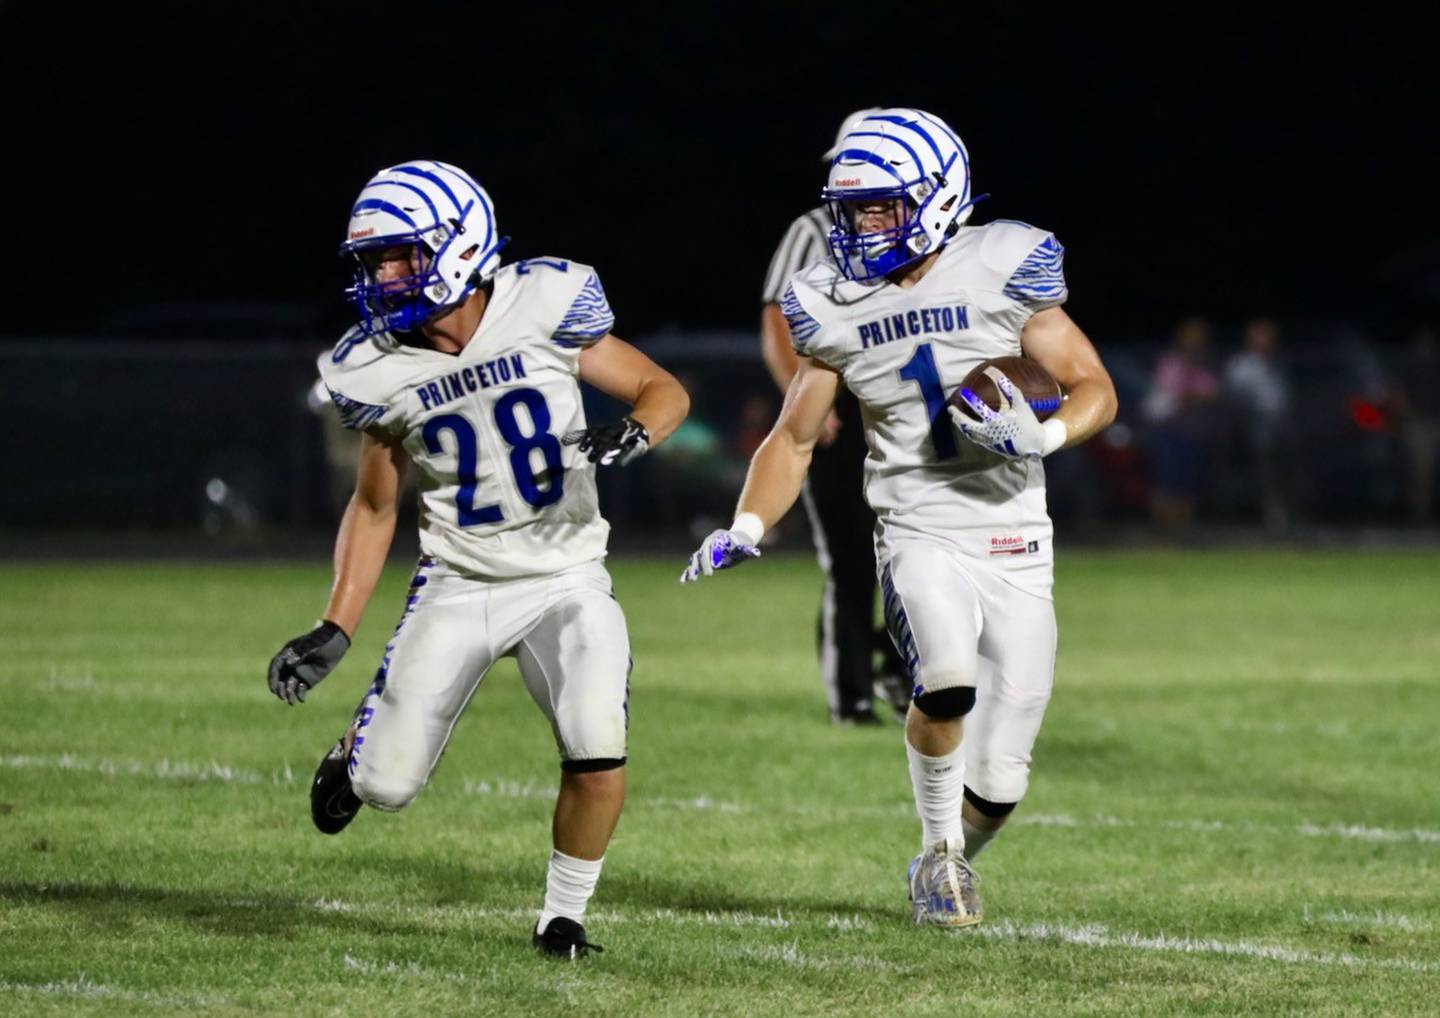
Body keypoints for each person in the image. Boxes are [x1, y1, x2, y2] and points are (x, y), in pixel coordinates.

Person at [681, 109, 1116, 928]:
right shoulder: (833, 302)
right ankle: (942, 854)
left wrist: (1047, 432)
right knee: (944, 677)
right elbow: (795, 437)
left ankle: (945, 856)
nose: (859, 226)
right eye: (852, 209)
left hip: (1018, 537)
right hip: (918, 527)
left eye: (881, 207)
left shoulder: (1002, 264)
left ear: (937, 196)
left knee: (1005, 778)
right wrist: (745, 525)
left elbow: (1095, 384)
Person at [265, 160, 689, 959]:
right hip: (459, 581)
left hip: (567, 574)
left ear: (460, 247)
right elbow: (377, 504)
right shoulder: (375, 364)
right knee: (388, 786)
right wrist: (334, 627)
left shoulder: (544, 303)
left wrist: (634, 430)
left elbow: (660, 389)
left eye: (401, 256)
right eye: (375, 261)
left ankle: (561, 919)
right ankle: (357, 750)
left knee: (597, 740)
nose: (384, 276)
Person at [759, 108, 909, 725]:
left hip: (900, 406)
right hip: (838, 404)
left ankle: (905, 675)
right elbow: (776, 317)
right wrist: (804, 398)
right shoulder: (816, 228)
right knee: (849, 560)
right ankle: (850, 695)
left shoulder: (931, 234)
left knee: (912, 554)